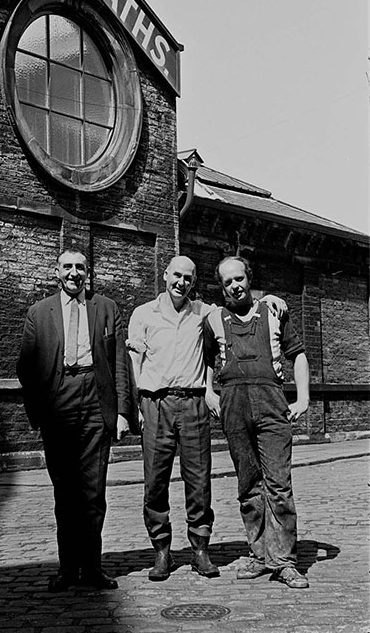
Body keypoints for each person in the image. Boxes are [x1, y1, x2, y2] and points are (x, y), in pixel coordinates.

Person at [127, 255, 285, 582]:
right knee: (155, 482)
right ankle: (162, 551)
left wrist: (267, 299)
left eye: (188, 277)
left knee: (198, 481)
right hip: (156, 403)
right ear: (165, 275)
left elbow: (240, 306)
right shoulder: (143, 314)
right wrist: (138, 407)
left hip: (193, 404)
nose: (181, 282)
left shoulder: (204, 312)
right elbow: (134, 362)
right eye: (176, 275)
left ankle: (200, 549)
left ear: (193, 282)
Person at [17, 248, 130, 592]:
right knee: (65, 491)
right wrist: (42, 406)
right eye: (67, 267)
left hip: (96, 398)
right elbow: (26, 365)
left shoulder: (106, 308)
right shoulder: (39, 312)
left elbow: (120, 364)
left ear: (88, 273)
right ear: (56, 272)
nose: (74, 273)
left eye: (80, 267)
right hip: (60, 399)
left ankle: (93, 569)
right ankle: (68, 570)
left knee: (93, 491)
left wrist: (123, 411)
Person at [204, 256, 310, 589]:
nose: (235, 286)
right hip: (234, 407)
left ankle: (284, 560)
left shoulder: (274, 312)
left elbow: (299, 354)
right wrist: (208, 393)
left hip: (271, 404)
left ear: (249, 279)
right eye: (227, 282)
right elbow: (207, 361)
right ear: (221, 288)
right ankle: (259, 553)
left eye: (239, 279)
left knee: (279, 484)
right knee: (249, 486)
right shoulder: (214, 320)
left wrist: (304, 398)